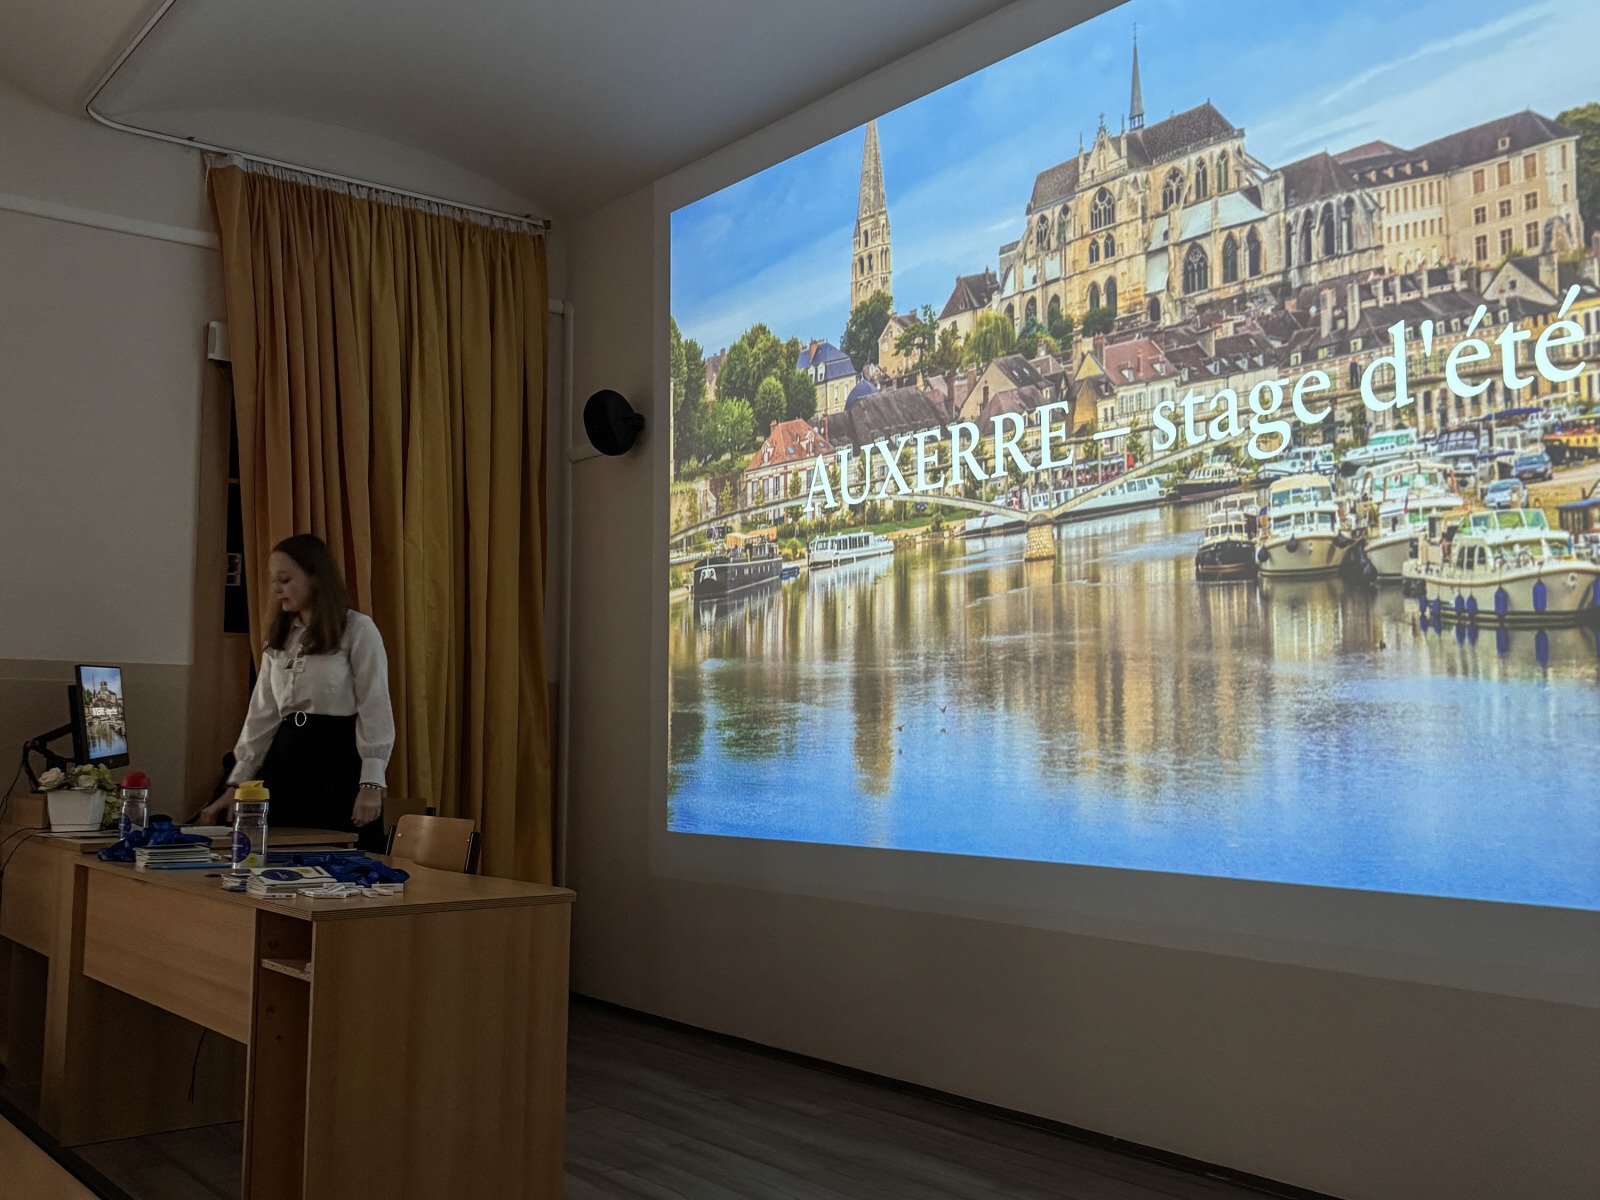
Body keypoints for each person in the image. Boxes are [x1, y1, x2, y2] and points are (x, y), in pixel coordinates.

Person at [198, 534, 395, 852]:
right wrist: (236, 782)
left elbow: (375, 705)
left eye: (285, 580)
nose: (276, 589)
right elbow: (261, 715)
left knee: (337, 858)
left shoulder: (357, 629)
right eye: (274, 580)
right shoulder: (280, 637)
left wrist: (371, 782)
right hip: (287, 760)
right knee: (280, 854)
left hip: (337, 760)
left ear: (315, 577)